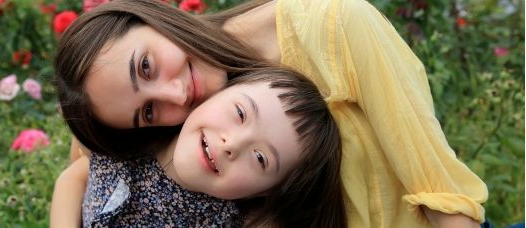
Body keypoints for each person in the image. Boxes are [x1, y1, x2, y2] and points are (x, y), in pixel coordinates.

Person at [52, 0, 488, 227]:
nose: (176, 93)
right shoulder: (191, 128)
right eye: (148, 112)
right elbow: (81, 171)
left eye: (145, 65)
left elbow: (443, 196)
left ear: (151, 17)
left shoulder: (333, 25)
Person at [52, 68, 346, 227]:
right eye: (240, 113)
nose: (232, 144)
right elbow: (74, 177)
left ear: (263, 191)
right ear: (219, 93)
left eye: (260, 158)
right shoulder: (139, 135)